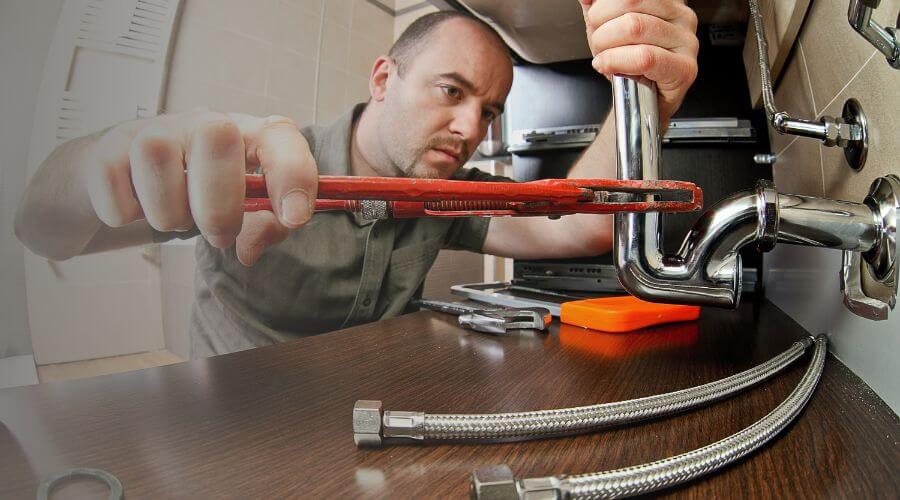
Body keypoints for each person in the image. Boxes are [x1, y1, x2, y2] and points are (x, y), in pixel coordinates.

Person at [15, 1, 699, 357]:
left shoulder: (447, 196)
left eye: (489, 109)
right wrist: (92, 166)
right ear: (382, 79)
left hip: (378, 419)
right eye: (450, 91)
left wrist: (643, 97)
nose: (472, 130)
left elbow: (581, 225)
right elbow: (41, 230)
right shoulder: (254, 172)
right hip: (236, 430)